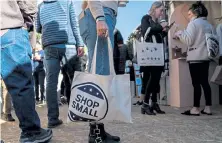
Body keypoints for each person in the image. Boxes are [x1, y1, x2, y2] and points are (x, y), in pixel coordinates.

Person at [0, 1, 53, 142]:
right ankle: (31, 132)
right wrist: (28, 18)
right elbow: (28, 5)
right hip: (7, 26)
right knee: (21, 85)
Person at [79, 0, 128, 142]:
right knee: (100, 74)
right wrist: (100, 17)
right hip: (100, 14)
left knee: (101, 72)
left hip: (98, 13)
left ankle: (98, 129)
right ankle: (95, 133)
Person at [36, 0, 85, 128]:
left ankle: (52, 119)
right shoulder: (67, 2)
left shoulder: (40, 6)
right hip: (67, 44)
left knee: (51, 82)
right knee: (75, 80)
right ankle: (78, 113)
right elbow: (74, 23)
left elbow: (38, 28)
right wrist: (80, 43)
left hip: (49, 46)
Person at [174, 2, 213, 116]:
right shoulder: (209, 25)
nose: (189, 16)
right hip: (206, 57)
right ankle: (208, 107)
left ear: (195, 13)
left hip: (195, 57)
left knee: (196, 84)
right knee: (205, 82)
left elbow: (189, 41)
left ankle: (195, 108)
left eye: (190, 14)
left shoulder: (194, 24)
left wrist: (180, 33)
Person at [140, 1, 168, 115]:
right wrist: (161, 27)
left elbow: (158, 34)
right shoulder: (146, 18)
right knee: (152, 79)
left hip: (158, 53)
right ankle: (145, 104)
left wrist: (164, 32)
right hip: (150, 53)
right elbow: (146, 32)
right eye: (161, 10)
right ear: (154, 9)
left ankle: (154, 103)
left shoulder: (156, 22)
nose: (161, 13)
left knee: (156, 80)